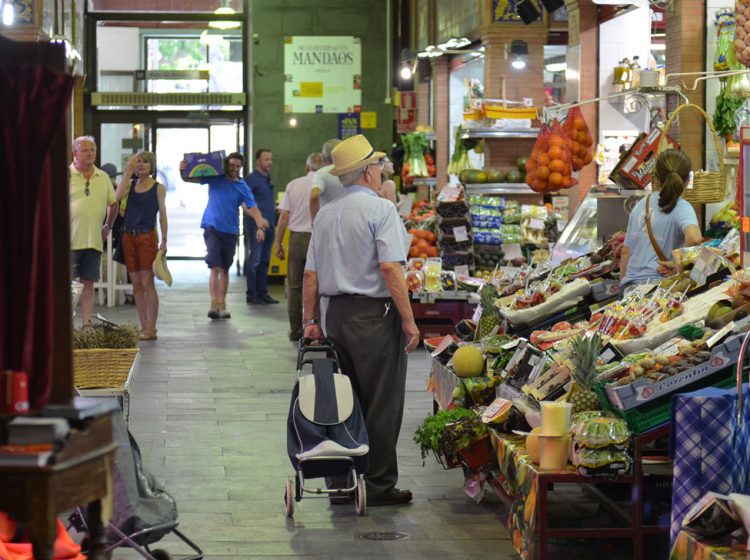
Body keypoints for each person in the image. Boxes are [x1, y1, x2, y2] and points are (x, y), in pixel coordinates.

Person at [302, 134, 420, 506]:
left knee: (342, 400)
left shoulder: (325, 215)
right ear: (369, 172)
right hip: (375, 316)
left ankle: (342, 482)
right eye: (379, 165)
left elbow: (310, 277)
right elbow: (390, 268)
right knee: (382, 402)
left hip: (335, 317)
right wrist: (409, 321)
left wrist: (310, 321)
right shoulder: (381, 210)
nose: (382, 170)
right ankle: (379, 485)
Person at [179, 152, 269, 319]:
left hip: (230, 231)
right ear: (226, 164)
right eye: (232, 165)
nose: (234, 169)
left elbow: (253, 208)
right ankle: (214, 304)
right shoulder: (216, 178)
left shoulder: (242, 186)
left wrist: (260, 227)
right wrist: (182, 170)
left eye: (237, 166)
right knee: (215, 266)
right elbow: (189, 178)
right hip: (212, 227)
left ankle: (222, 303)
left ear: (241, 167)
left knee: (225, 268)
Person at [620, 149, 702, 292]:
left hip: (629, 288)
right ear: (688, 179)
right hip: (655, 290)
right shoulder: (682, 207)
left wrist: (623, 286)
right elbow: (694, 238)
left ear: (656, 177)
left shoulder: (641, 205)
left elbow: (626, 252)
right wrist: (678, 264)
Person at [115, 152, 168, 341]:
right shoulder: (130, 185)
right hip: (128, 237)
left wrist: (164, 240)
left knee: (147, 283)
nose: (142, 165)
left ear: (152, 166)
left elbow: (162, 215)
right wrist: (128, 171)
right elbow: (116, 197)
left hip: (147, 237)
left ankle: (151, 327)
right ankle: (143, 325)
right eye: (138, 162)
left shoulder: (158, 188)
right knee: (136, 285)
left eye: (145, 162)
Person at [274, 152, 324, 341]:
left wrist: (278, 243)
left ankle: (296, 330)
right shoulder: (325, 185)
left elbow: (284, 217)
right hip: (318, 238)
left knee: (294, 286)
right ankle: (315, 328)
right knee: (317, 285)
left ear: (307, 167)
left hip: (296, 240)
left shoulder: (293, 185)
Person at [69, 136, 118, 326]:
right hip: (70, 242)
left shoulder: (103, 176)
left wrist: (108, 226)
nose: (90, 153)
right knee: (70, 287)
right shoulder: (66, 174)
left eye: (92, 150)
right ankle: (68, 328)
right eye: (85, 150)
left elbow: (113, 204)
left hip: (93, 241)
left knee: (88, 284)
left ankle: (87, 324)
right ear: (75, 153)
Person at [245, 148, 278, 305]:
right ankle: (251, 295)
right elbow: (245, 205)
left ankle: (263, 293)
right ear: (258, 161)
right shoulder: (251, 179)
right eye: (266, 159)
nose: (269, 162)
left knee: (265, 261)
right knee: (255, 261)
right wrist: (259, 219)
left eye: (270, 159)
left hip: (270, 225)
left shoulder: (267, 178)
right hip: (257, 226)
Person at [309, 138, 343, 220]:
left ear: (323, 157)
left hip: (328, 223)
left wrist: (315, 222)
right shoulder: (353, 171)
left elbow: (314, 196)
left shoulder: (322, 173)